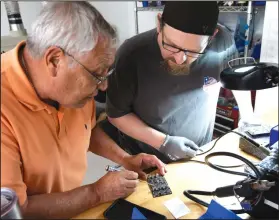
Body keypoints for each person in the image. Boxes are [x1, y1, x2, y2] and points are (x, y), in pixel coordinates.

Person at [1, 2, 167, 219]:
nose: (104, 86)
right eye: (97, 74)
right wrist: (96, 193)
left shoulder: (72, 90)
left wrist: (126, 159)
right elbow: (17, 210)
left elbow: (84, 131)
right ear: (54, 60)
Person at [105, 1, 253, 163]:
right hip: (147, 160)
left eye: (193, 51)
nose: (180, 59)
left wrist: (248, 117)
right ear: (159, 24)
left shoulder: (223, 43)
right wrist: (163, 142)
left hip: (200, 153)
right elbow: (116, 114)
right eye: (171, 45)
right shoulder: (131, 54)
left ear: (212, 37)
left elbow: (237, 80)